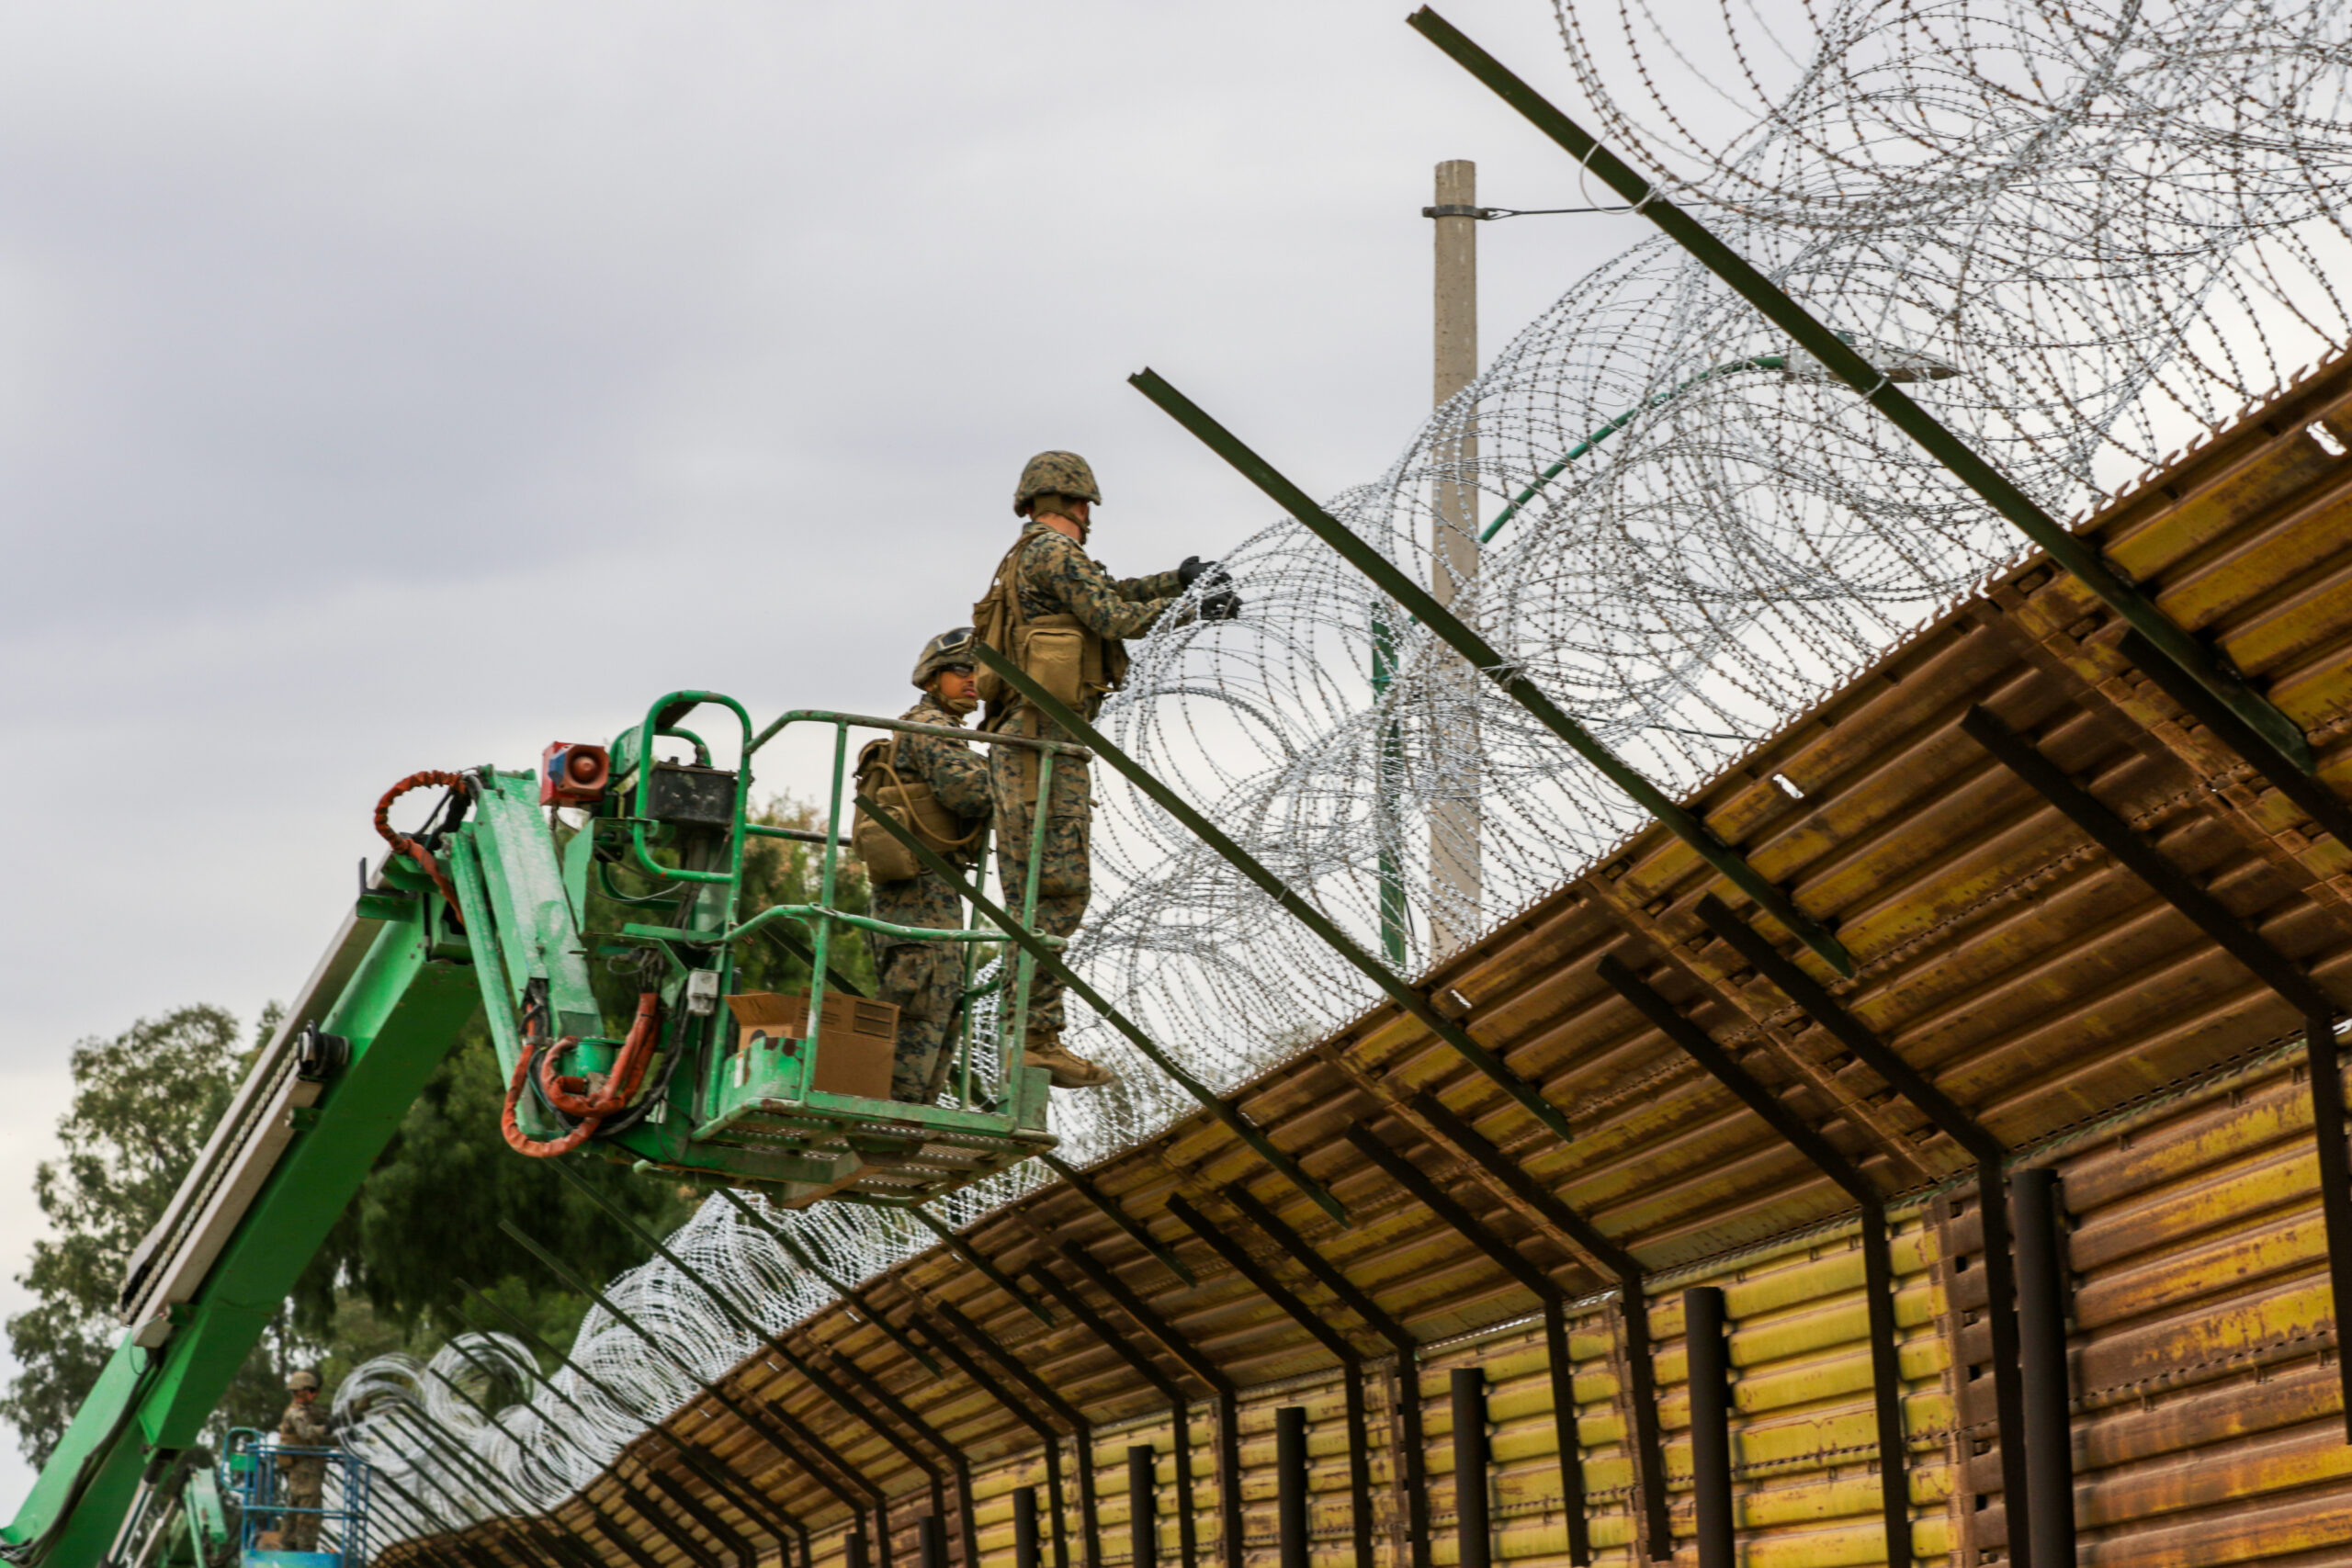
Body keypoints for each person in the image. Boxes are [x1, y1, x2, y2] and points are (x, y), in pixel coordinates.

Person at [971, 450, 1238, 1089]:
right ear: (1071, 501)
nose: (1089, 516)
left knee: (1040, 893)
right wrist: (1195, 610)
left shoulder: (1026, 558)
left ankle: (1025, 1033)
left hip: (1031, 742)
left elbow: (1108, 593)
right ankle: (1032, 1037)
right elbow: (1112, 617)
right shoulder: (1054, 554)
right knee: (1056, 891)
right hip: (1042, 745)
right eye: (1085, 505)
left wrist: (1177, 580)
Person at [858, 628, 995, 1102]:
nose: (972, 679)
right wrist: (1014, 774)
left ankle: (909, 1109)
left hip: (932, 886)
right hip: (919, 890)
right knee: (921, 995)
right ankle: (888, 1106)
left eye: (977, 670)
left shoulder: (946, 731)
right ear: (933, 679)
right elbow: (969, 793)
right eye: (961, 670)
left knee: (943, 998)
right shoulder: (928, 727)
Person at [275, 1369, 334, 1551]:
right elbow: (307, 1433)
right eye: (313, 1392)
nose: (315, 1395)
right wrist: (332, 1426)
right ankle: (303, 1551)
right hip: (304, 1470)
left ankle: (288, 1548)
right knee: (307, 1513)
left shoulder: (307, 1411)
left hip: (304, 1470)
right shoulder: (296, 1413)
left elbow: (324, 1421)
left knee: (296, 1509)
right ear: (305, 1392)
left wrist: (351, 1414)